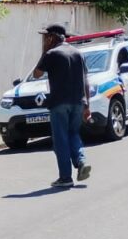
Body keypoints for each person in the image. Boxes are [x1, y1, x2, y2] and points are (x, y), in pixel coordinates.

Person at [33, 23, 92, 188]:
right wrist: (87, 105)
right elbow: (86, 81)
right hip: (78, 102)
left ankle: (65, 177)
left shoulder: (51, 53)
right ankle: (81, 162)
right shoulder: (78, 53)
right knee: (73, 134)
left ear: (51, 38)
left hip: (59, 103)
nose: (44, 40)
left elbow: (36, 74)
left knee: (61, 140)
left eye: (45, 37)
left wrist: (44, 51)